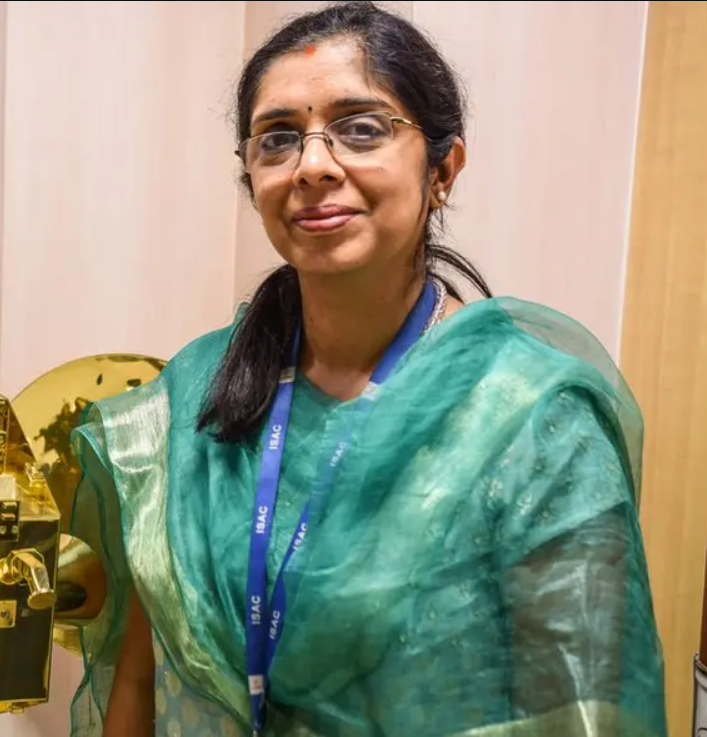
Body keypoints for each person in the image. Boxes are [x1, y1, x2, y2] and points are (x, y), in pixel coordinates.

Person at [65, 2, 668, 736]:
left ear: (443, 168)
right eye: (277, 139)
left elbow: (583, 709)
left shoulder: (529, 417)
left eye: (361, 127)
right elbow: (138, 677)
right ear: (251, 176)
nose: (313, 165)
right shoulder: (196, 399)